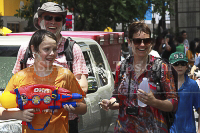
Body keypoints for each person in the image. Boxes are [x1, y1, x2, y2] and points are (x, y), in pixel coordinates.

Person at [12, 2, 88, 133]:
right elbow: (15, 84)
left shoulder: (72, 48)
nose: (53, 22)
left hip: (65, 120)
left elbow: (83, 87)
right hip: (33, 120)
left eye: (57, 18)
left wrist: (56, 95)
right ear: (40, 20)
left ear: (62, 22)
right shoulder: (26, 48)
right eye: (48, 17)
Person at [0, 30, 87, 133]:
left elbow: (83, 107)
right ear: (34, 49)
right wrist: (18, 115)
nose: (52, 53)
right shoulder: (20, 77)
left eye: (54, 49)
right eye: (47, 49)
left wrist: (73, 107)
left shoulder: (65, 75)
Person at [99, 21, 178, 132]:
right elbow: (117, 97)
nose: (142, 45)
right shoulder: (121, 67)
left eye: (146, 41)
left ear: (151, 43)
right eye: (137, 41)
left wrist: (154, 102)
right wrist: (110, 102)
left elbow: (173, 103)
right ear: (130, 42)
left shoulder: (162, 68)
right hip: (124, 129)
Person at [168, 52, 200, 133]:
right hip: (169, 129)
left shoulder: (192, 85)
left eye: (183, 63)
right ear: (170, 66)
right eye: (176, 64)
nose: (180, 66)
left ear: (186, 66)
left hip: (188, 130)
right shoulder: (166, 85)